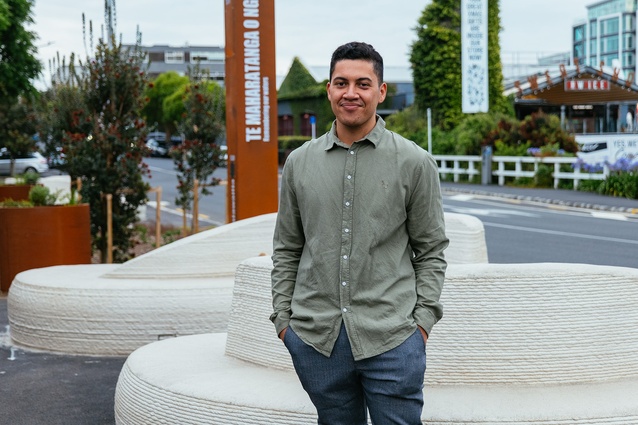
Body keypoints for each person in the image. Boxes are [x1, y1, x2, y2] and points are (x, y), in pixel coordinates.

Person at [270, 41, 448, 425]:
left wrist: (421, 325)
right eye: (341, 82)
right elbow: (287, 248)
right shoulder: (299, 164)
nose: (351, 93)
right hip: (317, 340)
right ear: (329, 89)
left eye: (363, 84)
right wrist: (285, 323)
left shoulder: (414, 163)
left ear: (381, 91)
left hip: (393, 338)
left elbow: (431, 250)